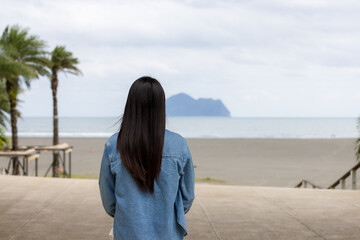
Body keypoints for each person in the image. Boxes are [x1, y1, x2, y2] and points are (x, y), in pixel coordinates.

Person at [99, 76, 195, 240]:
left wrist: (127, 216)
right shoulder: (179, 145)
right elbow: (187, 196)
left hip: (127, 233)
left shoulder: (113, 145)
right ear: (161, 107)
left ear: (131, 106)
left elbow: (108, 198)